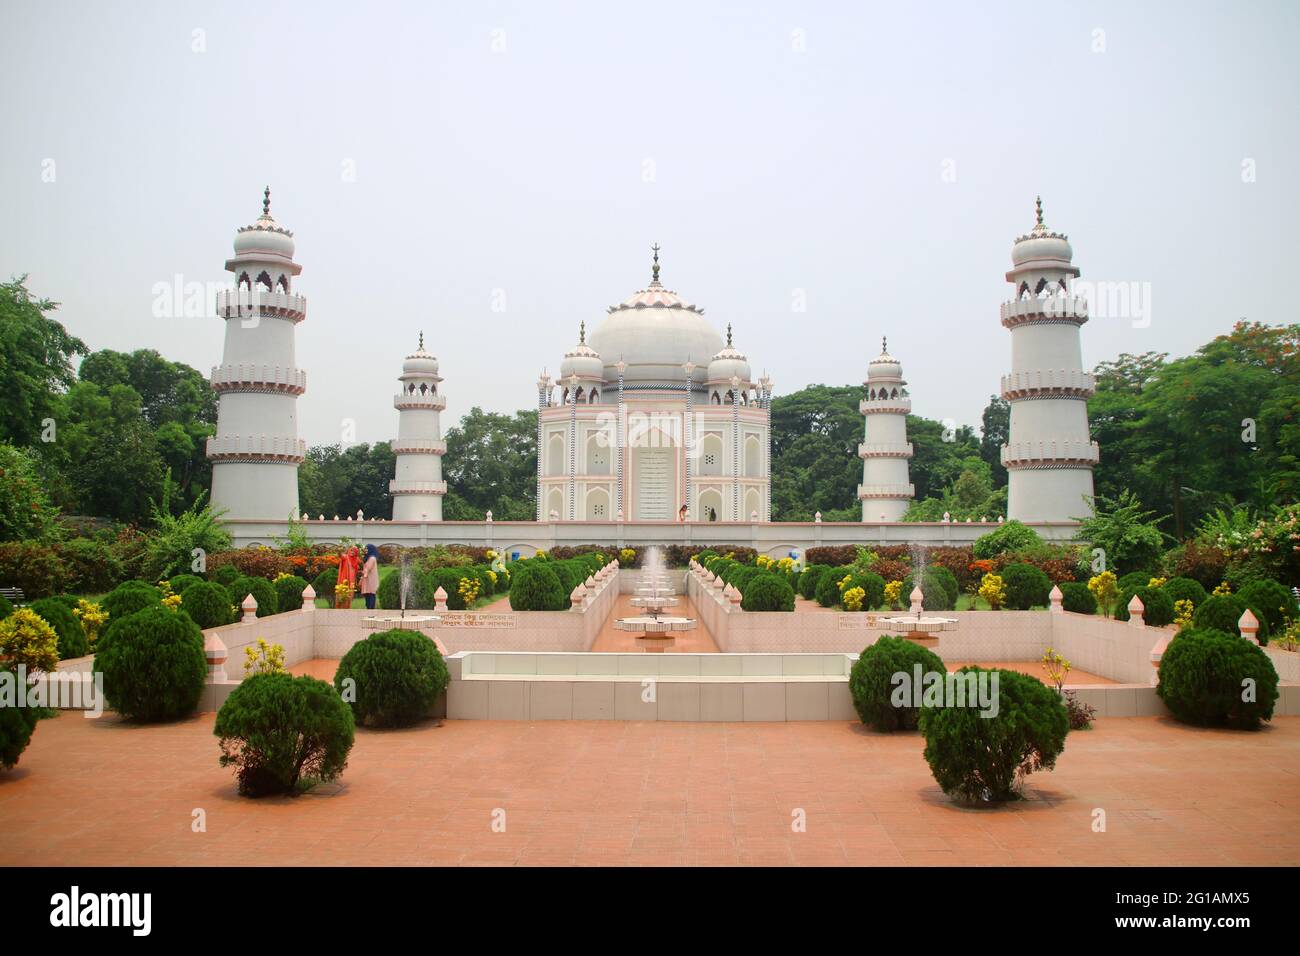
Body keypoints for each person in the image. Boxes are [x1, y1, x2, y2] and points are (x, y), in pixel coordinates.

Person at [360, 544, 379, 610]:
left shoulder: (372, 558)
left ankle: (371, 610)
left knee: (371, 594)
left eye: (366, 549)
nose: (365, 550)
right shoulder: (367, 558)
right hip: (366, 579)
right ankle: (368, 609)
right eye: (365, 549)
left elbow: (368, 568)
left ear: (370, 549)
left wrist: (362, 573)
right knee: (367, 594)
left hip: (370, 579)